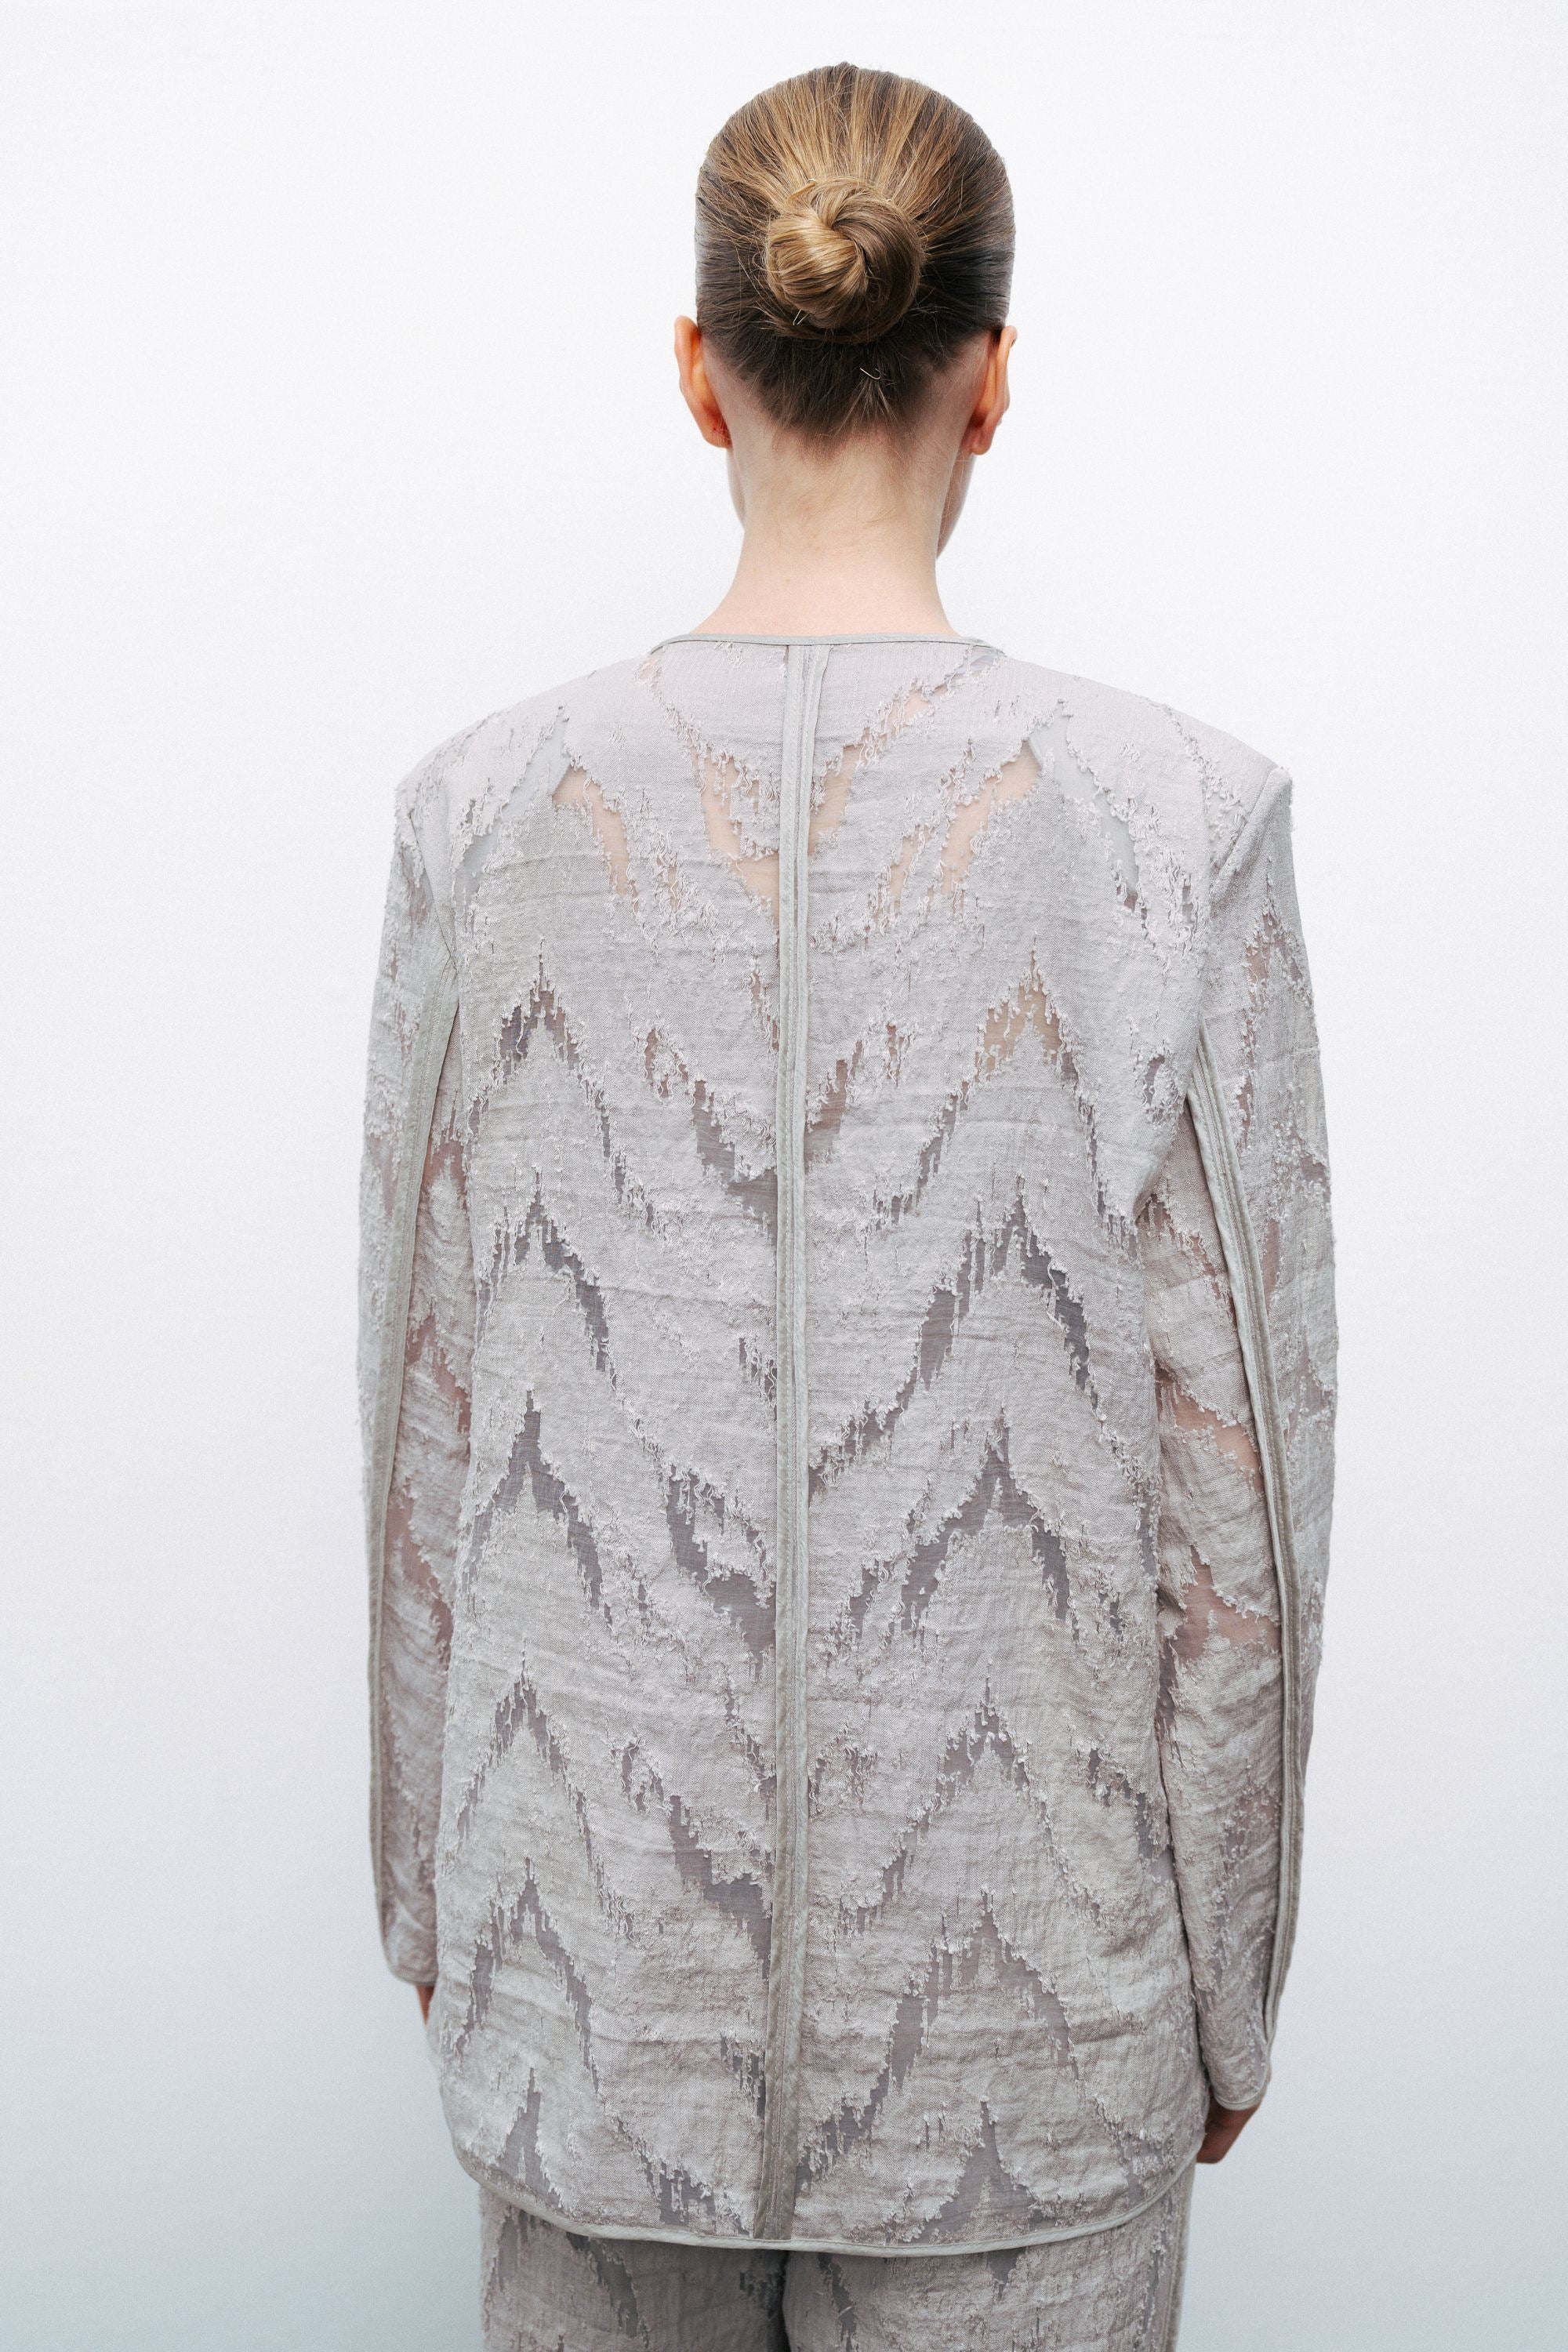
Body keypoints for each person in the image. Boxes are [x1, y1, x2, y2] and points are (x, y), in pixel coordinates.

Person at [358, 60, 1336, 2352]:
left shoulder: (484, 811)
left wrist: (444, 1916)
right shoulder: (1172, 822)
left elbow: (420, 1402)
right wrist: (1231, 1981)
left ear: (699, 369)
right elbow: (1247, 1490)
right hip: (1032, 2028)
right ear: (993, 378)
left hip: (593, 1994)